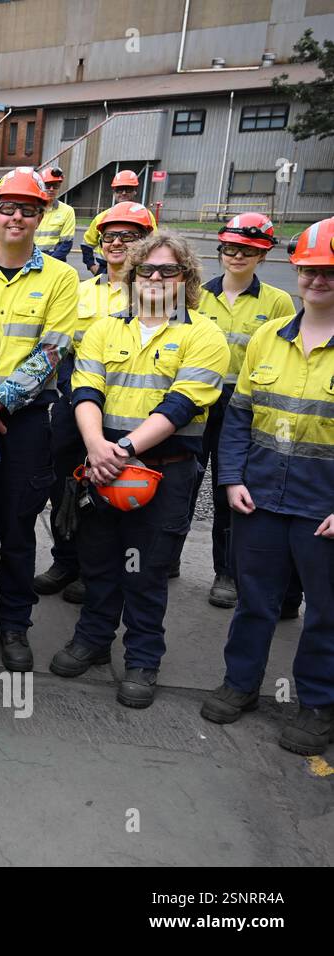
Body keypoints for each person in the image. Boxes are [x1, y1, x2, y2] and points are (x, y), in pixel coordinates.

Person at [52, 232, 227, 708]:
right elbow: (85, 391)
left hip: (162, 472)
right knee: (99, 559)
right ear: (131, 277)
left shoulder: (203, 335)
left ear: (186, 278)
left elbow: (183, 402)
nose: (154, 278)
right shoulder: (106, 329)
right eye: (145, 270)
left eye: (167, 270)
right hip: (103, 467)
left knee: (146, 569)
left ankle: (143, 659)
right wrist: (95, 447)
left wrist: (122, 449)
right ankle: (91, 640)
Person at [201, 218, 334, 755]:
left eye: (329, 271)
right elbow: (238, 417)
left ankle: (318, 703)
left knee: (325, 610)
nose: (318, 281)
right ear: (296, 271)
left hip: (321, 507)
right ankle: (241, 684)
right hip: (260, 498)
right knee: (254, 601)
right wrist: (230, 477)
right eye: (310, 271)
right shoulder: (267, 337)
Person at [0, 167, 78, 672]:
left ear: (40, 216)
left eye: (27, 209)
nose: (15, 218)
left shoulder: (62, 278)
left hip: (24, 421)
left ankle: (13, 625)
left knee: (18, 526)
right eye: (6, 207)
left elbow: (52, 352)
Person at [34, 201, 154, 604]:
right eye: (110, 236)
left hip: (126, 405)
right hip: (75, 401)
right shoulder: (80, 291)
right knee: (65, 482)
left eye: (129, 237)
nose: (117, 243)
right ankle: (65, 559)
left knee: (112, 486)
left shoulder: (154, 296)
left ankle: (95, 569)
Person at [194, 214, 297, 611]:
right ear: (220, 250)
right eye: (230, 248)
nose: (237, 256)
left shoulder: (278, 302)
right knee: (183, 482)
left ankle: (226, 572)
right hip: (199, 400)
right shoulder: (199, 295)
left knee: (229, 488)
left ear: (263, 254)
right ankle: (165, 557)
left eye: (248, 251)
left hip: (245, 407)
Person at [80, 170, 151, 276]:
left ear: (135, 191)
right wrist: (92, 267)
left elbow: (153, 246)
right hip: (105, 270)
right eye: (119, 190)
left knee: (130, 293)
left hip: (134, 271)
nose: (123, 193)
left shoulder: (145, 215)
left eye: (128, 189)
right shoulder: (102, 217)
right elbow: (86, 245)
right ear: (114, 192)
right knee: (102, 292)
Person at [35, 167, 76, 262]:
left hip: (55, 261)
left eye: (55, 186)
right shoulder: (32, 209)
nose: (51, 189)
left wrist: (49, 263)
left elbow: (66, 244)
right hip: (31, 259)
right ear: (40, 186)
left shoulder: (67, 211)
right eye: (48, 185)